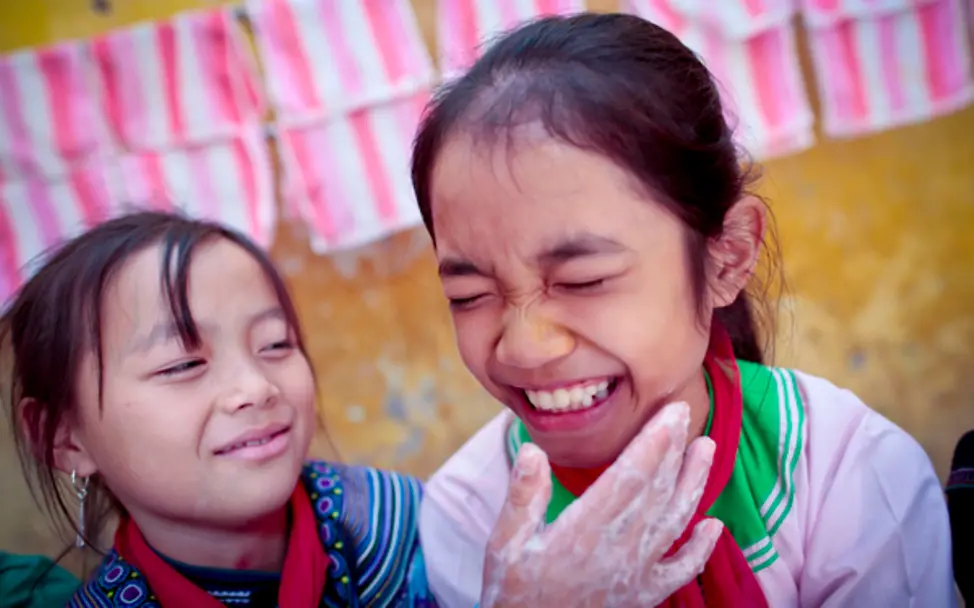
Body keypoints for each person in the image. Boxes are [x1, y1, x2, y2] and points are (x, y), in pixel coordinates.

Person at [411, 12, 957, 607]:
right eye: (470, 296)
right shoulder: (469, 515)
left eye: (582, 281)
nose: (523, 346)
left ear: (726, 258)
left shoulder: (847, 476)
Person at [1, 210, 719, 608]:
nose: (255, 386)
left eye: (276, 345)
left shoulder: (409, 527)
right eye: (183, 364)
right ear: (63, 437)